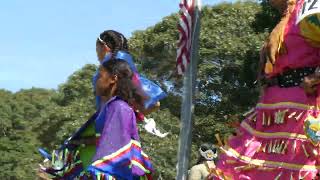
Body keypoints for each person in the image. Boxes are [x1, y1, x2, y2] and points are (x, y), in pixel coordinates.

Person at [210, 0, 320, 179]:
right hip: (270, 109)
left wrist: (317, 75)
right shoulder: (287, 17)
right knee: (245, 165)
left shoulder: (310, 6)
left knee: (299, 165)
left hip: (302, 106)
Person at [85, 59, 153, 179]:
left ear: (113, 79)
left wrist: (95, 172)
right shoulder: (113, 106)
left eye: (100, 76)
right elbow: (107, 139)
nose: (96, 81)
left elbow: (112, 150)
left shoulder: (119, 107)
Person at [93, 30, 166, 117]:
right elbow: (153, 104)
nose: (96, 52)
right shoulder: (124, 61)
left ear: (104, 46)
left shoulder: (112, 65)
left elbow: (153, 103)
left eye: (97, 48)